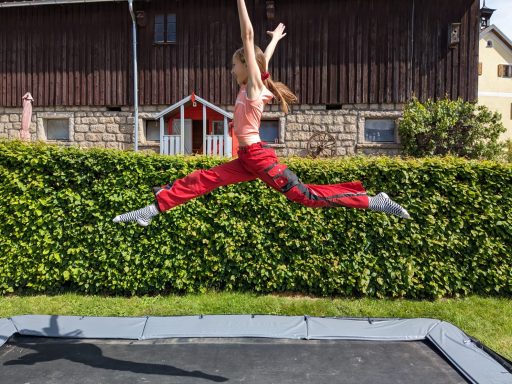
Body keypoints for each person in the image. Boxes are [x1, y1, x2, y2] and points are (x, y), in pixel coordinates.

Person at [113, 1, 410, 227]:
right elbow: (262, 57)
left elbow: (248, 34)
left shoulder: (254, 88)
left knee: (305, 196)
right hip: (246, 158)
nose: (231, 70)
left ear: (245, 64)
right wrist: (276, 40)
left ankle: (372, 201)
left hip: (257, 156)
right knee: (205, 178)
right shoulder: (251, 85)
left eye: (234, 64)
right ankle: (152, 210)